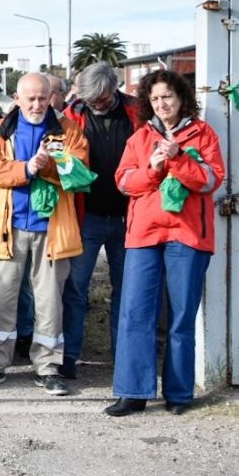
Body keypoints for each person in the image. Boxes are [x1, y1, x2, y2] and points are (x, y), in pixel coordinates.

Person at [106, 70, 224, 417]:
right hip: (145, 234)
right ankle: (133, 392)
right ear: (148, 103)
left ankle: (179, 393)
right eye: (155, 99)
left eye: (167, 97)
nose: (162, 104)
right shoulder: (140, 138)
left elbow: (210, 180)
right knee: (135, 313)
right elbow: (125, 182)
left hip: (188, 235)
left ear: (181, 98)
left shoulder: (204, 135)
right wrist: (155, 168)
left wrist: (178, 158)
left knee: (181, 316)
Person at [0, 73, 88, 396]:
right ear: (17, 99)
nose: (37, 104)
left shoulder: (68, 130)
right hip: (6, 230)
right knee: (0, 300)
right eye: (30, 98)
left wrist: (48, 166)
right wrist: (26, 169)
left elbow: (79, 174)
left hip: (53, 230)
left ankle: (48, 368)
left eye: (42, 97)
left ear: (51, 97)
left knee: (50, 302)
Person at [60, 61, 140, 380]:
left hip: (128, 216)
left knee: (126, 290)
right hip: (86, 215)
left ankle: (123, 355)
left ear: (114, 89)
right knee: (75, 288)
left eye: (101, 98)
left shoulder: (136, 111)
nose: (96, 104)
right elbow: (57, 151)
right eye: (90, 99)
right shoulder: (72, 114)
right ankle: (69, 355)